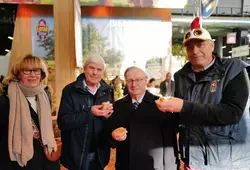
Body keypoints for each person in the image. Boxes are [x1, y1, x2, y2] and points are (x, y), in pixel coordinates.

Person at [155, 17, 250, 170]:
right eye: (190, 47)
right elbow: (182, 116)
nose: (195, 51)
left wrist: (183, 106)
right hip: (192, 156)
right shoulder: (181, 76)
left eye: (200, 45)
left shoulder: (234, 69)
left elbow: (232, 113)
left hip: (226, 160)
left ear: (212, 45)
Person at [110, 66, 177, 170]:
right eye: (129, 80)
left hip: (152, 165)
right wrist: (113, 136)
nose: (134, 84)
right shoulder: (118, 106)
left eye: (138, 80)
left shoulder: (160, 104)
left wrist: (171, 167)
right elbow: (111, 136)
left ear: (146, 80)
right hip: (125, 165)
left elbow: (169, 142)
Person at [0, 54, 60, 170]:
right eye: (27, 71)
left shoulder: (46, 95)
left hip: (46, 158)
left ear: (42, 74)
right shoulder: (5, 100)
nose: (32, 75)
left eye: (36, 71)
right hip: (18, 161)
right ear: (17, 74)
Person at [57, 55, 114, 170]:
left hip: (100, 152)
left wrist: (109, 117)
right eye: (91, 68)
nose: (95, 73)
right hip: (77, 154)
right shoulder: (70, 90)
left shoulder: (108, 90)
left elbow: (111, 121)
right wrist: (90, 112)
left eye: (99, 70)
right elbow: (63, 122)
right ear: (84, 69)